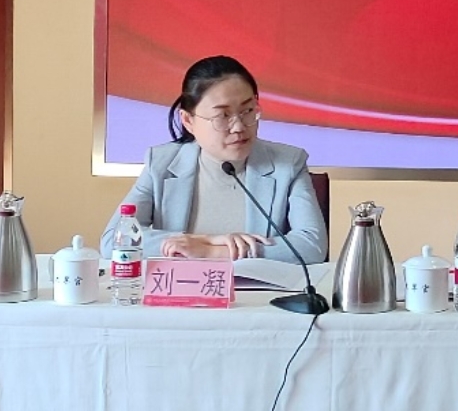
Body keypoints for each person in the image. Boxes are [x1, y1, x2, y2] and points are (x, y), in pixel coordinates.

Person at [103, 56, 328, 264]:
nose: (239, 127)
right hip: (182, 291)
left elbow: (312, 245)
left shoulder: (288, 164)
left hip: (258, 293)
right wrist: (203, 240)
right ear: (188, 120)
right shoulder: (161, 164)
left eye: (248, 110)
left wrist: (215, 252)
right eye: (223, 115)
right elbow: (113, 240)